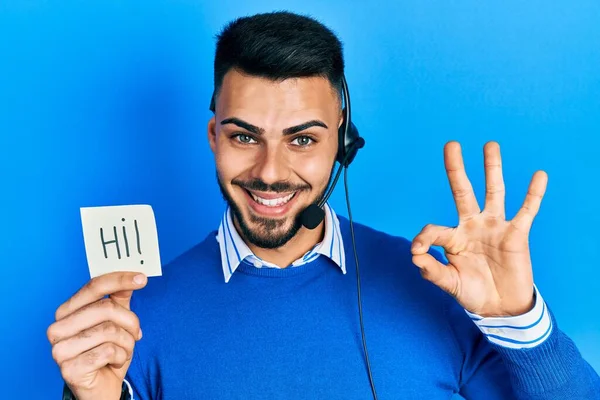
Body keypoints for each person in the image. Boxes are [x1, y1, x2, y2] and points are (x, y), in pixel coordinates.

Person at [47, 11, 600, 400]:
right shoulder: (132, 318)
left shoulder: (435, 286)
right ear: (214, 136)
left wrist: (520, 321)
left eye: (303, 139)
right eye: (244, 137)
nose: (269, 171)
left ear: (343, 141)